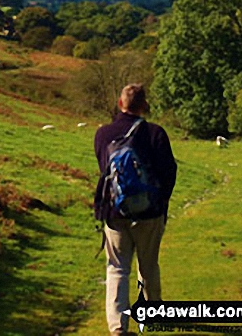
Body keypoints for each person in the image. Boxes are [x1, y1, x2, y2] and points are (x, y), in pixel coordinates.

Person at [94, 83, 177, 336]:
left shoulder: (103, 134)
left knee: (118, 267)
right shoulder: (156, 133)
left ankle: (119, 328)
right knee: (149, 265)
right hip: (150, 213)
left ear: (120, 104)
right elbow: (169, 173)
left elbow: (104, 168)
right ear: (144, 106)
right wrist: (160, 204)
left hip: (115, 213)